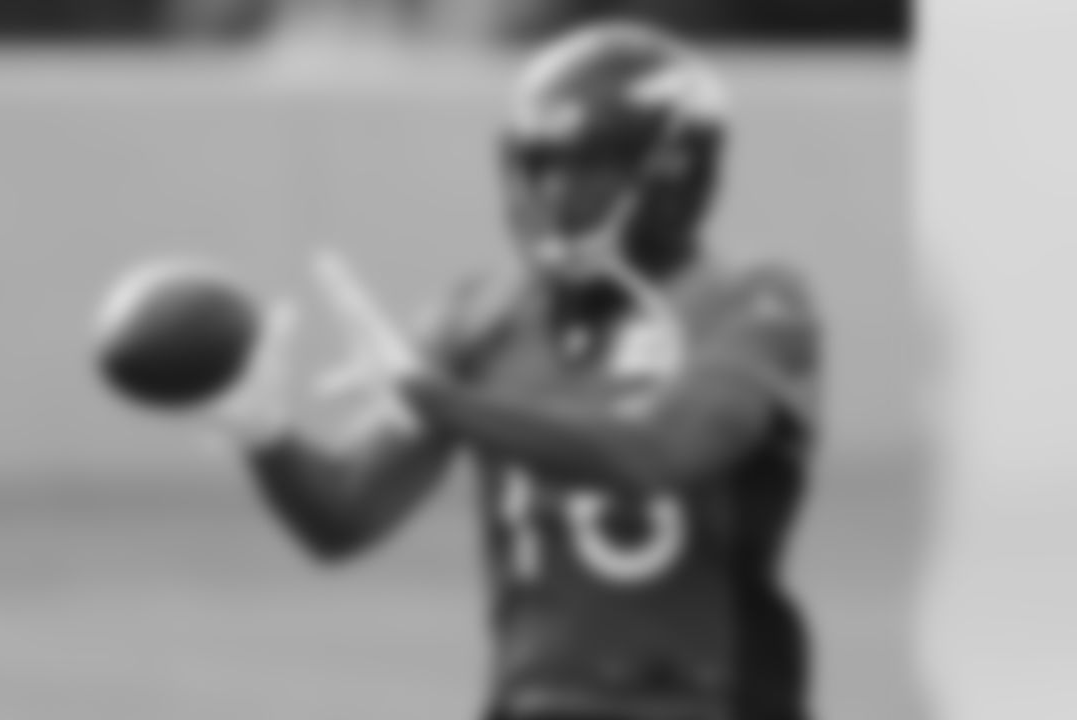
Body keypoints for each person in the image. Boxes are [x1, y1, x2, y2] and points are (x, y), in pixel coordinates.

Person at [209, 20, 822, 720]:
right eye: (540, 165)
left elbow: (661, 450)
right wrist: (266, 439)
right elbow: (341, 518)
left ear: (674, 174)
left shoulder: (754, 301)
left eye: (589, 169)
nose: (556, 194)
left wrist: (435, 397)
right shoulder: (486, 315)